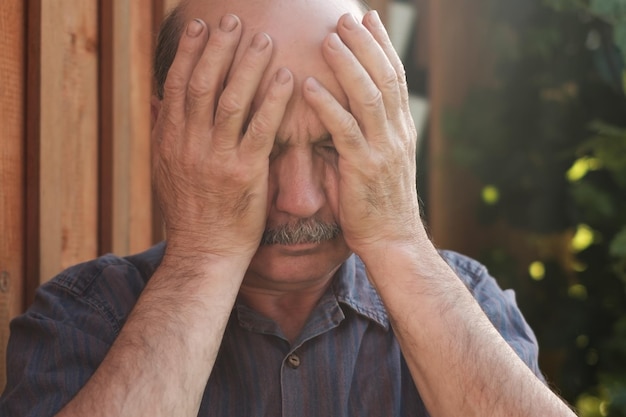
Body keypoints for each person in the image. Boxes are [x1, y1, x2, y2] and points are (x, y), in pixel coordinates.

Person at [0, 0, 576, 416]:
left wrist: (399, 241)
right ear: (170, 136)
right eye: (255, 142)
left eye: (334, 143)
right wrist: (206, 255)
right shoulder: (88, 317)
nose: (300, 199)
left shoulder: (467, 301)